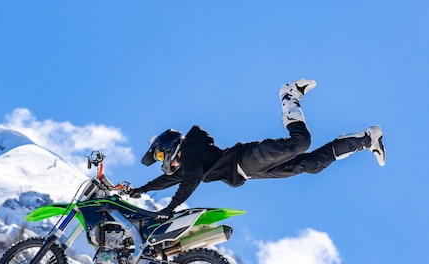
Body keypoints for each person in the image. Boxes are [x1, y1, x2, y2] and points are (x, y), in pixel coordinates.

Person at [129, 79, 386, 220]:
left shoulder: (191, 152)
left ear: (170, 145)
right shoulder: (189, 164)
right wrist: (140, 190)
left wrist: (169, 209)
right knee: (312, 165)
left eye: (162, 155)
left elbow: (189, 182)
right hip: (252, 172)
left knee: (300, 143)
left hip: (248, 158)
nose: (165, 162)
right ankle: (365, 139)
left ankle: (289, 96)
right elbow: (168, 180)